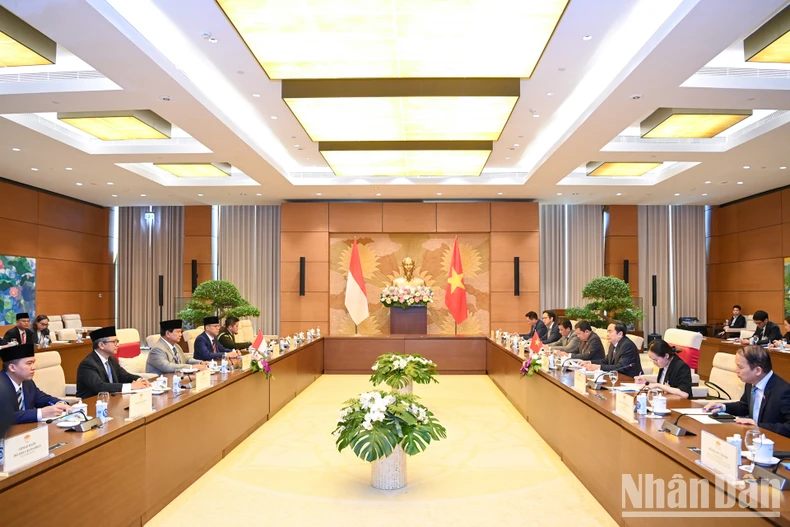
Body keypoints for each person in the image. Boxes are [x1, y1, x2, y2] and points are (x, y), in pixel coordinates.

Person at [704, 346, 790, 437]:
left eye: (740, 367)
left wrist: (758, 425)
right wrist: (723, 407)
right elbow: (744, 406)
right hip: (753, 438)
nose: (736, 370)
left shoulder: (783, 391)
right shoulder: (751, 382)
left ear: (757, 370)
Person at [1, 343, 70, 423]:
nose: (34, 367)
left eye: (33, 363)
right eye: (29, 363)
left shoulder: (28, 383)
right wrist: (40, 413)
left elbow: (43, 399)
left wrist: (60, 404)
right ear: (12, 367)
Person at [76, 326, 150, 399]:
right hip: (92, 404)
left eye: (117, 341)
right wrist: (131, 386)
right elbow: (100, 387)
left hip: (112, 400)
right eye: (114, 342)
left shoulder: (111, 359)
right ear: (101, 345)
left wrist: (140, 380)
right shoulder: (88, 364)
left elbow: (124, 376)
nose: (117, 345)